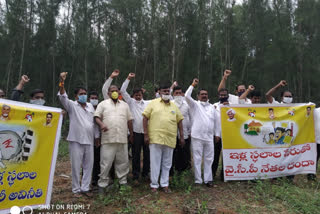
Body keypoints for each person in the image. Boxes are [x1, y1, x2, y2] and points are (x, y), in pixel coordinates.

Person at [57, 72, 99, 197]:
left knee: (88, 166)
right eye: (81, 94)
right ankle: (76, 190)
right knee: (76, 166)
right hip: (76, 140)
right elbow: (62, 95)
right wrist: (62, 82)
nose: (83, 96)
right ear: (76, 97)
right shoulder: (71, 106)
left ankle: (85, 188)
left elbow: (94, 122)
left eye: (85, 94)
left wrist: (97, 136)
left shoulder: (91, 106)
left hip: (89, 140)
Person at [142, 83, 184, 193]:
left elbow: (180, 121)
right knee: (155, 162)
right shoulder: (153, 103)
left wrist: (182, 137)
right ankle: (154, 185)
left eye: (167, 91)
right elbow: (145, 118)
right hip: (155, 138)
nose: (166, 93)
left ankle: (165, 184)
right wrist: (146, 134)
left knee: (167, 163)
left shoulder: (174, 106)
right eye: (164, 91)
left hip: (170, 138)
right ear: (159, 92)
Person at [94, 85, 134, 194]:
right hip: (108, 139)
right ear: (108, 93)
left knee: (123, 162)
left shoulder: (125, 105)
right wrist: (101, 124)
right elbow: (96, 117)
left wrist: (131, 134)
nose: (114, 92)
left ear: (119, 92)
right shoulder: (103, 104)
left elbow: (129, 120)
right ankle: (102, 185)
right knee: (105, 163)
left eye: (116, 91)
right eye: (112, 91)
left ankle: (123, 183)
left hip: (122, 138)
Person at [185, 78, 221, 187]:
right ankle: (198, 180)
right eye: (202, 94)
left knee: (209, 159)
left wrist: (217, 134)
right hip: (197, 137)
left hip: (209, 137)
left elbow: (216, 122)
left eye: (206, 94)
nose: (204, 96)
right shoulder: (195, 105)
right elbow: (186, 96)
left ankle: (208, 180)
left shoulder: (212, 107)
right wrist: (193, 85)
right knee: (197, 158)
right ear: (198, 96)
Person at [120, 72, 150, 182]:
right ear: (133, 96)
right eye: (136, 95)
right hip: (136, 133)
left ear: (142, 95)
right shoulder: (131, 102)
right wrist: (128, 78)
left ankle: (146, 174)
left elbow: (159, 99)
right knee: (136, 155)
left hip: (147, 133)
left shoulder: (147, 103)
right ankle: (136, 175)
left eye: (140, 95)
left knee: (147, 155)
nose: (138, 96)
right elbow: (123, 91)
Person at [171, 85, 192, 173]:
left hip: (185, 132)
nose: (178, 95)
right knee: (173, 152)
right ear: (173, 94)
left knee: (184, 151)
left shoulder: (187, 105)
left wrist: (190, 131)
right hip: (172, 132)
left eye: (180, 93)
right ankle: (173, 169)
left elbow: (191, 118)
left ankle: (185, 170)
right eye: (176, 93)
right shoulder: (170, 104)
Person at [212, 88, 229, 181]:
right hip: (217, 136)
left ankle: (224, 175)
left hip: (228, 135)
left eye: (224, 95)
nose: (223, 97)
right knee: (215, 156)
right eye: (221, 95)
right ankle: (212, 174)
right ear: (218, 96)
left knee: (226, 157)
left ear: (228, 96)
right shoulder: (214, 106)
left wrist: (229, 107)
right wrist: (216, 134)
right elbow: (214, 121)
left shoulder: (233, 106)